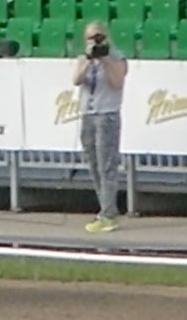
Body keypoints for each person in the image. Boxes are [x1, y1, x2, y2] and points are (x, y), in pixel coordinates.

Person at [72, 21, 128, 233]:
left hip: (107, 115)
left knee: (107, 165)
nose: (93, 42)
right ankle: (105, 207)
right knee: (94, 164)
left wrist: (104, 58)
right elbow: (76, 80)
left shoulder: (117, 58)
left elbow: (117, 82)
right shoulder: (83, 59)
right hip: (88, 114)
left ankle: (107, 214)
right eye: (89, 38)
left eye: (97, 37)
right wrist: (88, 59)